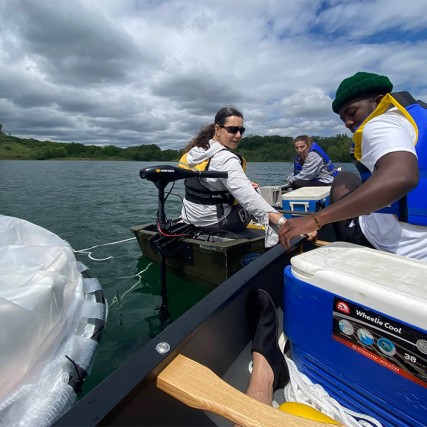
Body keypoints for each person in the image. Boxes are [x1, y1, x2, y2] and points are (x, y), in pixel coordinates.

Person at [278, 71, 427, 262]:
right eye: (343, 119)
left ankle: (346, 256)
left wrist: (315, 219)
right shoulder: (415, 119)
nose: (348, 123)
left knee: (343, 179)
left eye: (352, 112)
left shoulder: (379, 123)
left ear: (378, 101)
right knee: (348, 176)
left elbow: (401, 176)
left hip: (391, 247)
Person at [179, 106, 285, 246]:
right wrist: (284, 222)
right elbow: (251, 201)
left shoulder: (195, 152)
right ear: (217, 129)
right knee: (254, 193)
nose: (239, 135)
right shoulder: (227, 159)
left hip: (190, 217)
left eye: (242, 130)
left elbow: (209, 184)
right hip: (214, 223)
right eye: (233, 129)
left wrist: (241, 185)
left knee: (245, 189)